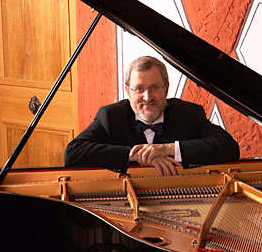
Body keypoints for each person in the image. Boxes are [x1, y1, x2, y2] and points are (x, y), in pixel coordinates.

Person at [64, 56, 240, 176]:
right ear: (128, 91)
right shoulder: (110, 117)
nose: (148, 97)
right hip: (126, 202)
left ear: (166, 88)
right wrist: (136, 154)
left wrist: (167, 149)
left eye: (155, 87)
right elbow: (73, 154)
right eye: (139, 89)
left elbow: (229, 147)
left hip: (180, 197)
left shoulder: (188, 114)